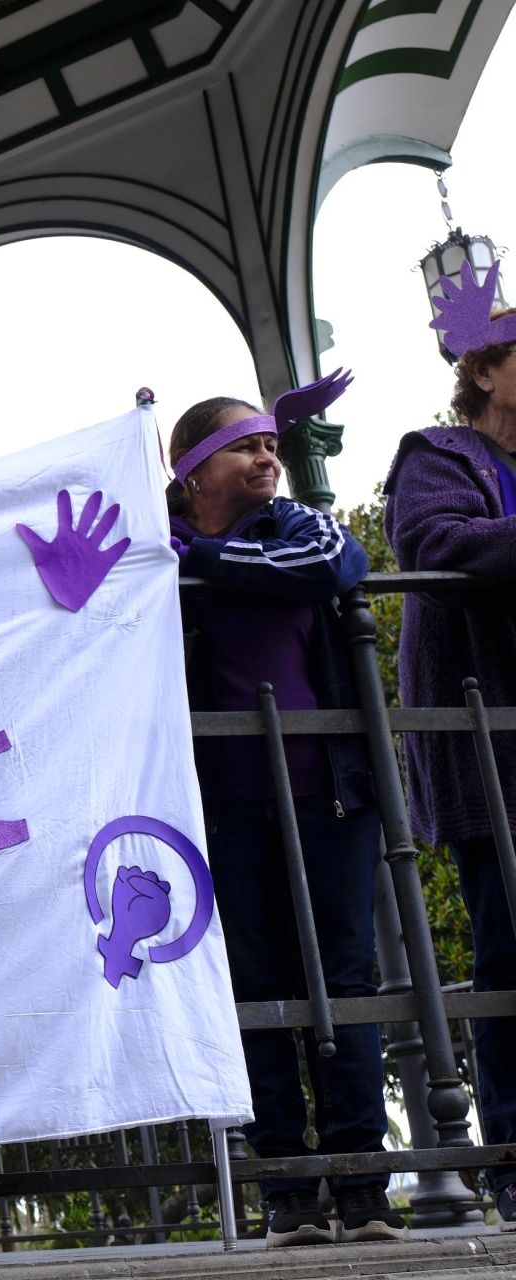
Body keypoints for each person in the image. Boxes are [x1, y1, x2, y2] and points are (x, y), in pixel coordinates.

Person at [167, 377, 406, 1246]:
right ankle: (288, 1188)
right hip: (217, 804)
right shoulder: (158, 546)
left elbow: (329, 567)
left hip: (329, 789)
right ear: (193, 470)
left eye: (271, 444)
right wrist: (187, 557)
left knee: (342, 978)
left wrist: (198, 561)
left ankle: (363, 1182)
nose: (268, 457)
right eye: (246, 446)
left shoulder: (293, 525)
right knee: (254, 986)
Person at [386, 262, 516, 1228]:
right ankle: (514, 1157)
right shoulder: (435, 453)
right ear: (484, 365)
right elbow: (435, 546)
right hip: (492, 745)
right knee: (512, 954)